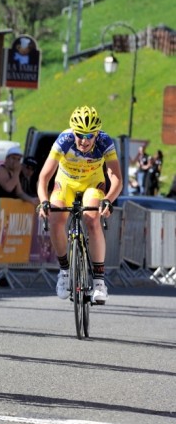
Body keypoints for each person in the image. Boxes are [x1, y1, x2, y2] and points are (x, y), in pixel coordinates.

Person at [36, 106, 122, 304]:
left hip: (92, 183)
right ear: (73, 132)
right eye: (80, 135)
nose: (84, 140)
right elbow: (44, 177)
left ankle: (99, 282)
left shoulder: (105, 142)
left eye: (89, 136)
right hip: (66, 183)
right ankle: (64, 271)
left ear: (96, 134)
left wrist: (108, 199)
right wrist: (43, 201)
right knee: (56, 218)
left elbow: (116, 178)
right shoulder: (64, 140)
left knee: (92, 219)